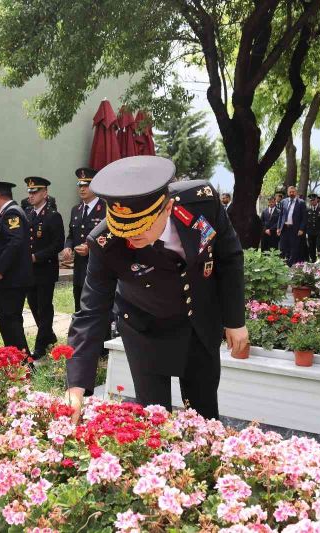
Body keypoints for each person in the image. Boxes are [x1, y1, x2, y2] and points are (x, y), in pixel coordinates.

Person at [65, 156, 246, 421]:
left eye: (142, 226)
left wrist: (234, 321)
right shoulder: (105, 242)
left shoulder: (202, 202)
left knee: (203, 416)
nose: (132, 235)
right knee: (154, 419)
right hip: (144, 328)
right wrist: (76, 387)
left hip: (199, 321)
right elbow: (91, 311)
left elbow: (229, 256)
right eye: (123, 228)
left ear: (168, 207)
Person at [0, 177, 33, 356]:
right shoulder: (6, 214)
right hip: (11, 279)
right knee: (7, 321)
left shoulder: (11, 213)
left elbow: (15, 242)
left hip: (12, 279)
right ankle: (15, 359)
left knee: (10, 321)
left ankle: (22, 362)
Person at [24, 176, 65, 360]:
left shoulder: (52, 215)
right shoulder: (27, 213)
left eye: (34, 192)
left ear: (44, 193)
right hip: (29, 270)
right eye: (29, 191)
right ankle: (49, 336)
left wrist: (37, 256)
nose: (31, 195)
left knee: (44, 307)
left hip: (45, 269)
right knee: (33, 305)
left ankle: (41, 345)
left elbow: (57, 244)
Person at [62, 168, 106, 312]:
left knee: (96, 309)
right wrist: (68, 247)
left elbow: (110, 237)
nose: (82, 189)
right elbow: (71, 235)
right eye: (80, 185)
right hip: (80, 269)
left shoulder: (106, 208)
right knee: (79, 306)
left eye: (86, 185)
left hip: (98, 268)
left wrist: (90, 248)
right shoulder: (76, 209)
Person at [276, 185, 306, 265]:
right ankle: (282, 264)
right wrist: (278, 228)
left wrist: (301, 229)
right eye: (290, 192)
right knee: (282, 247)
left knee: (293, 247)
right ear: (287, 193)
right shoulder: (283, 201)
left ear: (296, 192)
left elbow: (304, 217)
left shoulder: (301, 202)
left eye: (293, 192)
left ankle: (291, 265)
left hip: (295, 229)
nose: (292, 193)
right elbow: (281, 215)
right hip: (284, 228)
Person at [305, 194, 320, 262]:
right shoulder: (307, 209)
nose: (312, 202)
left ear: (317, 200)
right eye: (311, 200)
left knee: (319, 246)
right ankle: (313, 260)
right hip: (310, 231)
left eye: (314, 200)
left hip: (319, 231)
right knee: (311, 247)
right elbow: (306, 220)